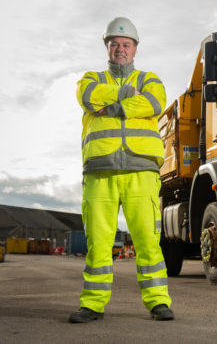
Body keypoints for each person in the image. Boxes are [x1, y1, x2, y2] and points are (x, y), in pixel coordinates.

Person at [70, 17, 173, 323]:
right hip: (100, 171)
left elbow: (155, 101)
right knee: (98, 242)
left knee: (146, 241)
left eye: (126, 44)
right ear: (107, 46)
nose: (120, 49)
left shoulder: (149, 79)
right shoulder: (90, 78)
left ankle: (158, 302)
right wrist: (129, 98)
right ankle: (92, 304)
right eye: (114, 44)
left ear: (135, 49)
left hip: (141, 170)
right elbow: (88, 98)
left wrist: (113, 106)